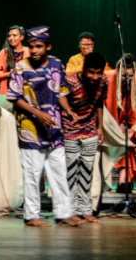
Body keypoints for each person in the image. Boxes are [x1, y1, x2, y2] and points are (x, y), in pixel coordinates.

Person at [6, 26, 82, 227]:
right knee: (33, 173)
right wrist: (38, 113)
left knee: (59, 172)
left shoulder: (57, 63)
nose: (34, 50)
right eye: (31, 47)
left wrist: (68, 111)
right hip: (30, 128)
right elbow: (14, 97)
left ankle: (63, 213)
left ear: (48, 46)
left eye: (38, 46)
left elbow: (62, 90)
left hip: (53, 127)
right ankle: (31, 215)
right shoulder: (21, 67)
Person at [61, 52, 109, 223]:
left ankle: (85, 209)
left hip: (89, 128)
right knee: (71, 171)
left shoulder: (103, 81)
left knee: (87, 171)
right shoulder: (70, 81)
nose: (95, 77)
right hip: (70, 129)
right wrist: (68, 112)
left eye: (98, 72)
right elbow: (60, 97)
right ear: (84, 69)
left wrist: (100, 128)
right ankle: (70, 209)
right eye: (91, 72)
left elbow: (99, 103)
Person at [105, 54, 136, 193]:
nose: (127, 80)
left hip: (124, 119)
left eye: (130, 76)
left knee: (128, 140)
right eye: (123, 76)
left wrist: (129, 127)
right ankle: (104, 183)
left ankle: (123, 181)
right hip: (107, 119)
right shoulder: (108, 77)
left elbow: (135, 106)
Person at [0, 26, 29, 96]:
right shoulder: (3, 53)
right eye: (9, 36)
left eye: (14, 35)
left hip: (26, 92)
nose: (11, 38)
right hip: (7, 92)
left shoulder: (29, 52)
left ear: (22, 37)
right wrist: (9, 74)